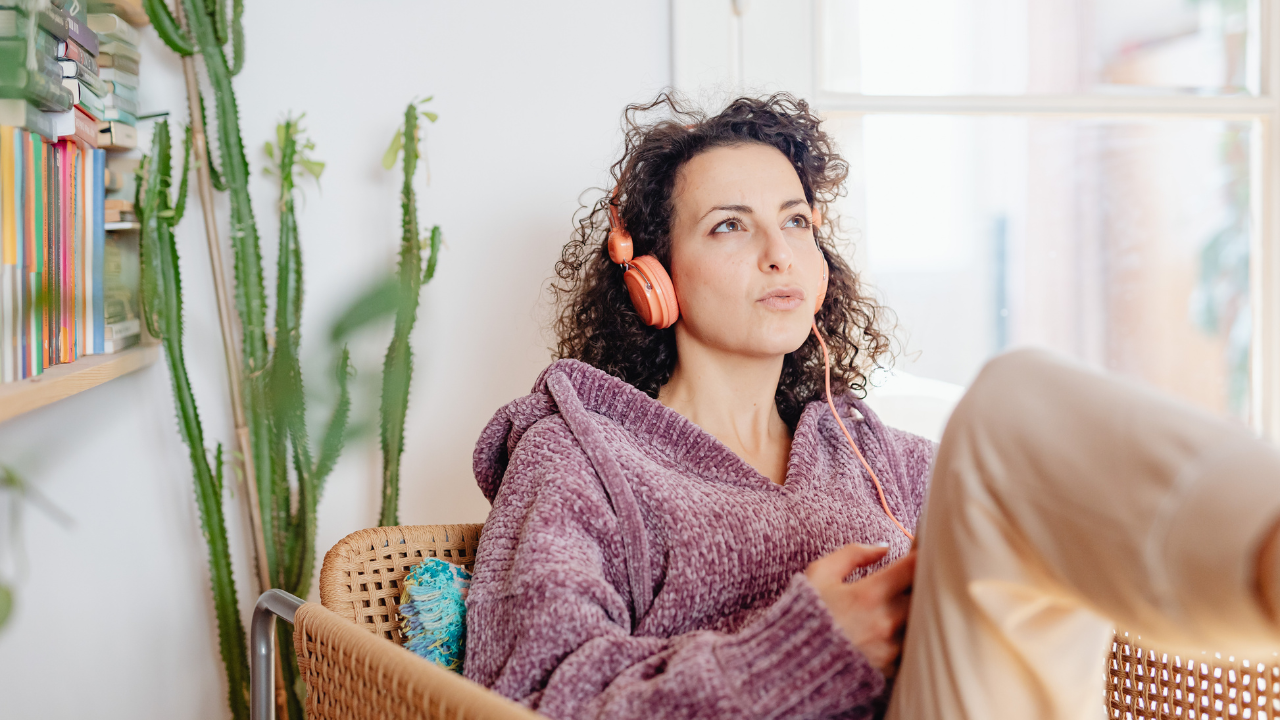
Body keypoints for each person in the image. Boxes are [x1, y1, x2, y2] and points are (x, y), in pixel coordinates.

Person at [462, 92, 1280, 719]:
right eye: (728, 227)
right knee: (1006, 409)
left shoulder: (880, 457)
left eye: (794, 220)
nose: (780, 251)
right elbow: (529, 696)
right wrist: (806, 647)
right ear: (653, 278)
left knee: (1011, 410)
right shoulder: (578, 458)